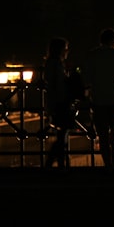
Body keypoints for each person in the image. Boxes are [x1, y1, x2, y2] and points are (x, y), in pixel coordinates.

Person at [82, 27, 114, 169]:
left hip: (97, 98)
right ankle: (113, 162)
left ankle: (107, 164)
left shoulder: (91, 55)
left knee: (102, 134)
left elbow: (85, 78)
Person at [43, 37, 75, 168]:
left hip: (57, 102)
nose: (67, 51)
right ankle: (55, 163)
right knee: (63, 134)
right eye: (65, 48)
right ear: (60, 50)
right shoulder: (56, 64)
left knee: (62, 134)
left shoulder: (52, 63)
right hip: (60, 103)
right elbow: (57, 85)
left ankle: (60, 163)